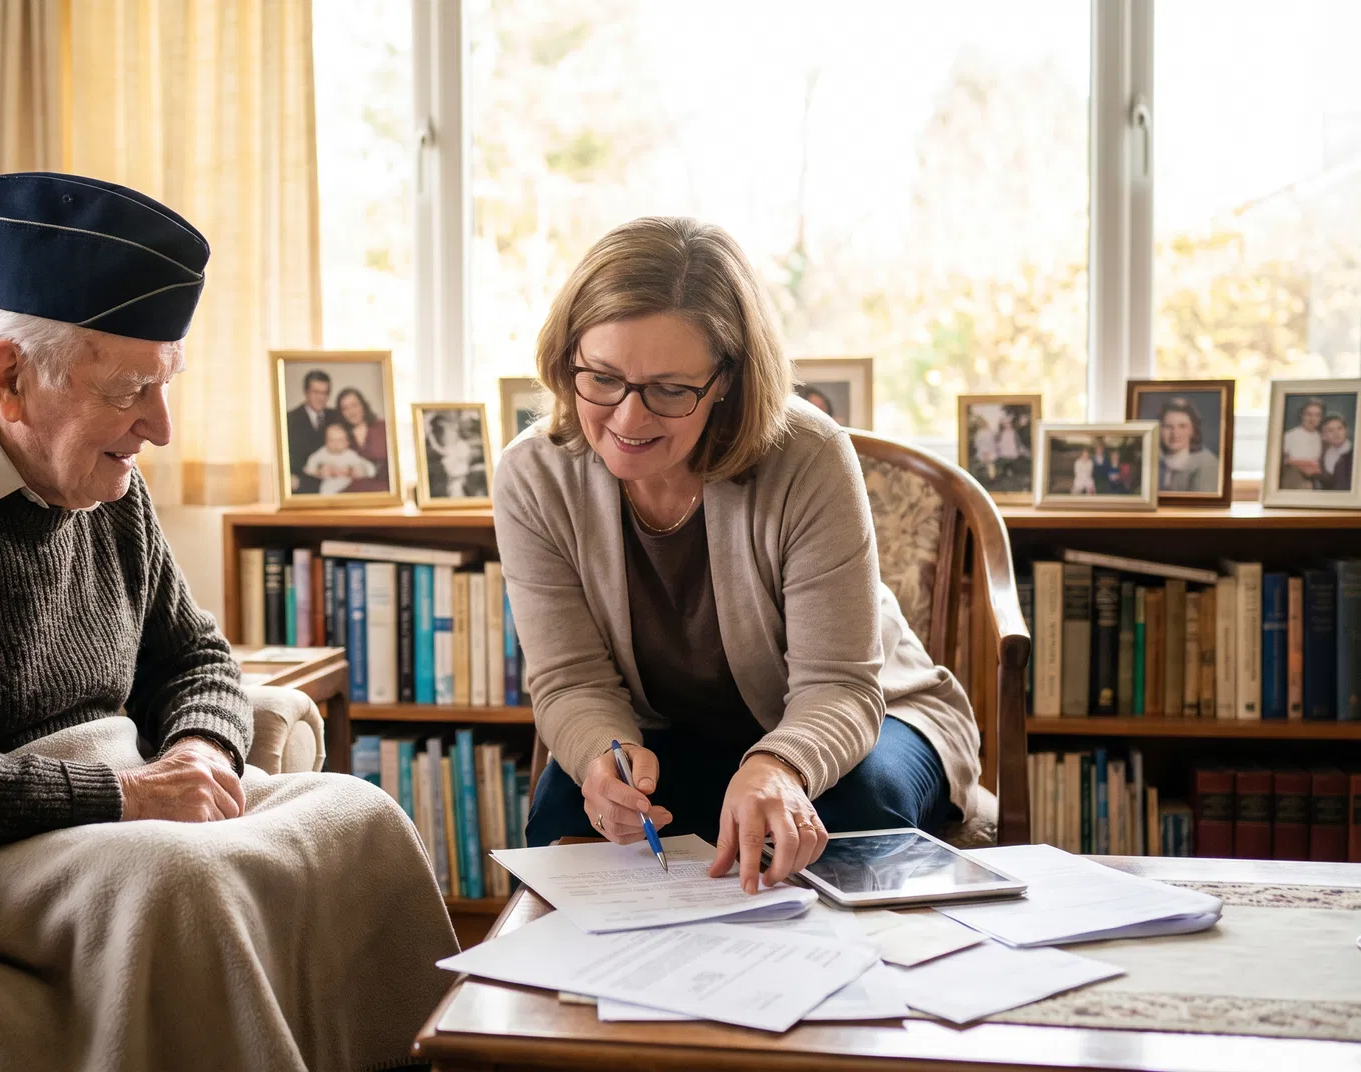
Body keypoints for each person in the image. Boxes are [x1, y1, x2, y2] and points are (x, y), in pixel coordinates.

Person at [0, 172, 455, 1069]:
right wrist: (124, 797)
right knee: (181, 883)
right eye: (129, 389)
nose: (162, 426)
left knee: (359, 818)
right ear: (9, 378)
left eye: (166, 382)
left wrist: (198, 752)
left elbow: (194, 656)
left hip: (107, 811)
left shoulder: (105, 482)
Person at [495, 216, 981, 894]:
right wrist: (605, 755)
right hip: (670, 734)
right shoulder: (533, 475)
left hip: (875, 715)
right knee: (561, 812)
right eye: (601, 378)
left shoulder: (809, 456)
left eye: (670, 389)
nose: (629, 420)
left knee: (846, 820)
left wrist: (779, 764)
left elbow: (839, 686)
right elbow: (571, 680)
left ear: (725, 380)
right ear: (566, 355)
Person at [285, 369, 335, 493]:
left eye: (325, 393)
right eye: (316, 392)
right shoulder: (289, 419)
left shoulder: (336, 416)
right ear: (306, 392)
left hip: (333, 483)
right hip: (302, 485)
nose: (321, 398)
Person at [1156, 397, 1219, 494]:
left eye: (1182, 426)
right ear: (1159, 430)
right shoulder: (1155, 461)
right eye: (1168, 427)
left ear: (1193, 430)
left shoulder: (1207, 463)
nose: (1175, 434)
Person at [333, 386, 390, 493]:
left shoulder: (383, 427)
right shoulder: (339, 435)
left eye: (354, 405)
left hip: (383, 491)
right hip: (352, 494)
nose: (351, 411)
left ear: (363, 405)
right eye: (345, 408)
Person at [303, 419, 377, 494]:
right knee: (325, 491)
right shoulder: (323, 452)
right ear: (325, 441)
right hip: (328, 484)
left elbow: (369, 468)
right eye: (331, 440)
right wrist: (318, 472)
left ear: (347, 443)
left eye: (340, 440)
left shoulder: (350, 454)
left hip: (349, 485)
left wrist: (354, 470)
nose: (335, 444)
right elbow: (309, 466)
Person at [426, 411, 480, 498]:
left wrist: (430, 435)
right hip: (455, 481)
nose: (445, 435)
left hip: (459, 480)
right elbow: (438, 449)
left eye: (447, 431)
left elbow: (438, 449)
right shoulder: (453, 448)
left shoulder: (461, 446)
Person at [1280, 397, 1327, 490]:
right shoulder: (1289, 436)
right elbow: (1281, 461)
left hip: (1316, 480)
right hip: (1293, 479)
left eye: (1317, 415)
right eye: (1308, 414)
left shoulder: (1323, 438)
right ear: (1301, 415)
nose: (1312, 419)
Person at [1319, 412, 1353, 492]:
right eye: (1330, 430)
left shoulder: (1354, 452)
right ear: (1324, 435)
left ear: (1346, 430)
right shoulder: (1324, 454)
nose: (1336, 433)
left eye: (1340, 428)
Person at [971, 411, 1000, 482]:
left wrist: (989, 451)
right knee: (982, 464)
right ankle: (981, 478)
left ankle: (991, 478)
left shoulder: (990, 432)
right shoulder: (979, 433)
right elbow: (977, 443)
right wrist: (984, 452)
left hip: (990, 451)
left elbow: (992, 443)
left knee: (990, 464)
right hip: (982, 451)